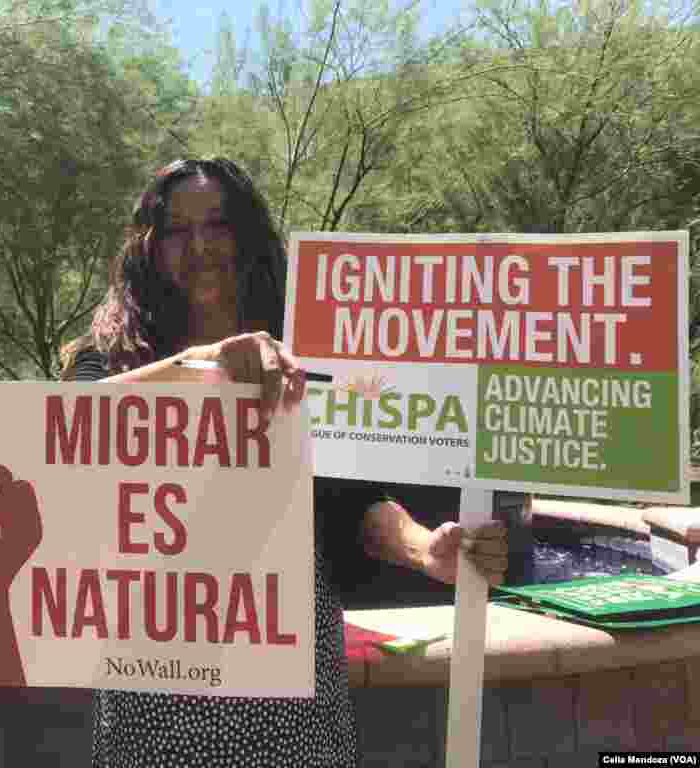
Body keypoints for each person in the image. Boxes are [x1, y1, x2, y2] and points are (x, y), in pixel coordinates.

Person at [59, 157, 508, 767]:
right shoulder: (107, 356)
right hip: (152, 673)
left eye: (217, 224)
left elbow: (351, 501)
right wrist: (206, 365)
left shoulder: (309, 352)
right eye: (177, 230)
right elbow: (66, 434)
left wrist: (426, 548)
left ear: (245, 235)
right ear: (150, 246)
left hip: (288, 680)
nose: (199, 246)